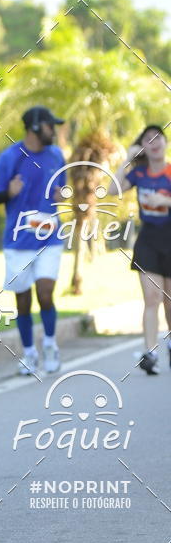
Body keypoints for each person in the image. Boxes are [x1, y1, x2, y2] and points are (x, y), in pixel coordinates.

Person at [0, 105, 66, 376]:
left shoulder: (56, 155)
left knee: (45, 292)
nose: (53, 131)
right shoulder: (10, 157)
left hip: (50, 237)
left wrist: (61, 194)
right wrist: (8, 191)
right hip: (18, 240)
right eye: (49, 126)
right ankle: (29, 353)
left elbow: (61, 187)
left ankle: (51, 346)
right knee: (22, 300)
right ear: (34, 127)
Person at [111, 124, 171, 375]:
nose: (154, 142)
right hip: (148, 241)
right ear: (143, 146)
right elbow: (113, 189)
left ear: (166, 143)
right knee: (151, 297)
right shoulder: (139, 173)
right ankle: (150, 352)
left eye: (159, 137)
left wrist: (166, 201)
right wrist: (127, 158)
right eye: (148, 139)